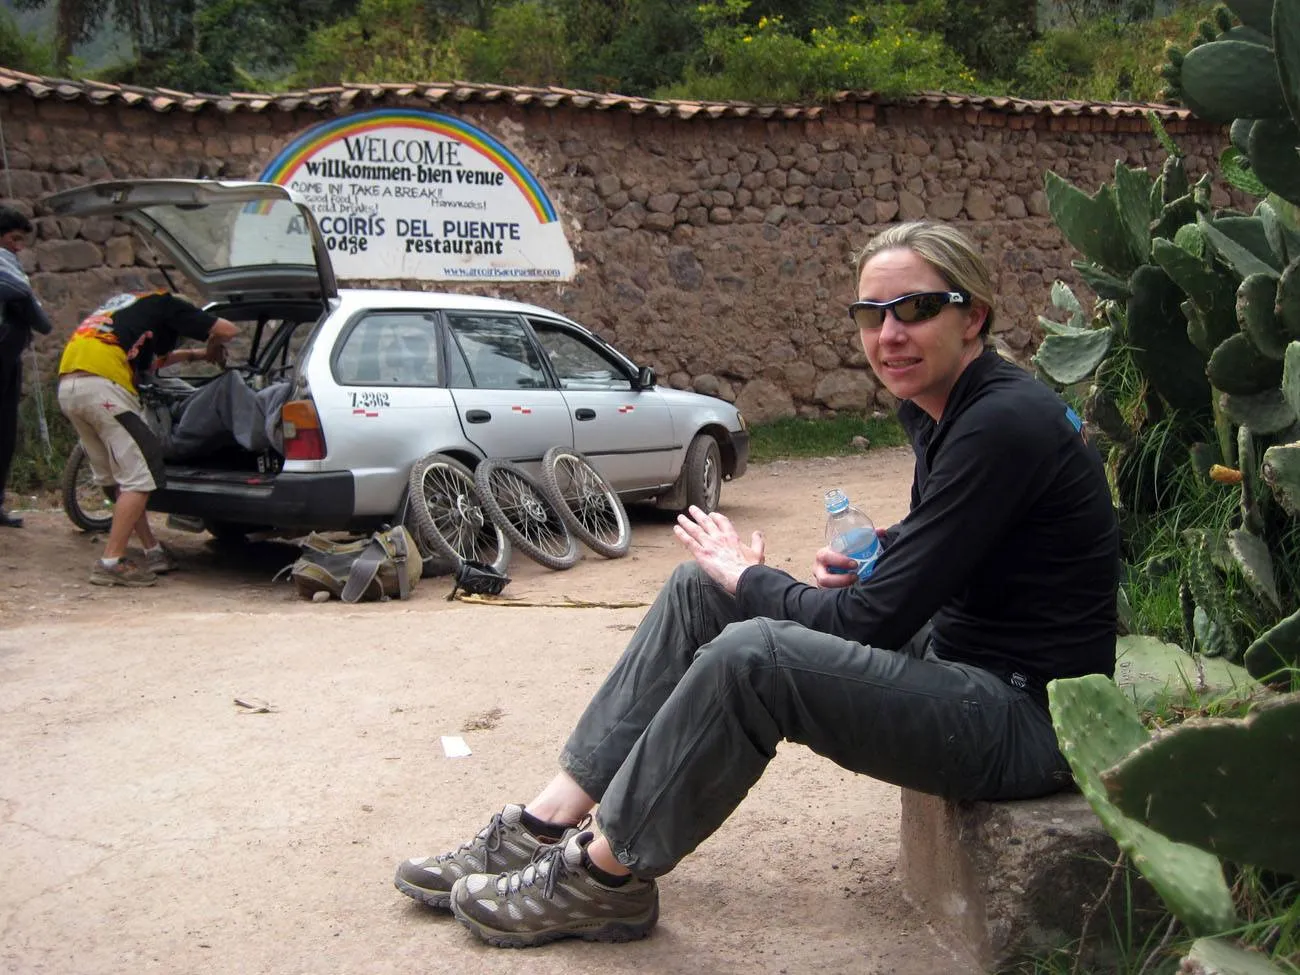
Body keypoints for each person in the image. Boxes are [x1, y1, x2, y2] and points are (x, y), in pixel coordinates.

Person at [393, 221, 1120, 948]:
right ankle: (545, 822)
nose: (889, 334)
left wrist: (756, 575)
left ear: (974, 317)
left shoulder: (999, 421)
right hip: (965, 656)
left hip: (1032, 716)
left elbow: (868, 622)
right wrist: (882, 549)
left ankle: (604, 879)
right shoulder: (947, 404)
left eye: (917, 309)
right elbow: (969, 525)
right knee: (700, 588)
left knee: (755, 654)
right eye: (872, 314)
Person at [57, 290, 238, 586]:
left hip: (71, 387)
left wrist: (197, 355)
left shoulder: (125, 309)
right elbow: (227, 330)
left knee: (123, 478)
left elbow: (150, 364)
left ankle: (152, 550)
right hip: (105, 390)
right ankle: (111, 562)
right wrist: (213, 344)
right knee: (143, 472)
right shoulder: (168, 303)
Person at [0, 205, 52, 528]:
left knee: (5, 431)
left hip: (9, 358)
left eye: (22, 240)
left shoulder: (12, 264)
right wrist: (36, 314)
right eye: (13, 239)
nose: (19, 246)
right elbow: (19, 293)